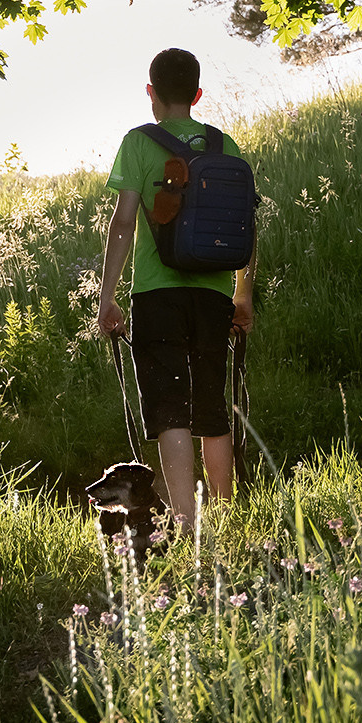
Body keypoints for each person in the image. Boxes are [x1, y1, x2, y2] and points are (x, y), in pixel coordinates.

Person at [97, 47, 256, 532]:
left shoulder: (139, 143)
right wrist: (242, 295)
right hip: (213, 293)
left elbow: (124, 222)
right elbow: (245, 226)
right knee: (212, 404)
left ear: (151, 93)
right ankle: (226, 523)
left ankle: (187, 524)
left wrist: (108, 296)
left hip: (156, 292)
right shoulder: (223, 144)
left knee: (171, 410)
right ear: (197, 94)